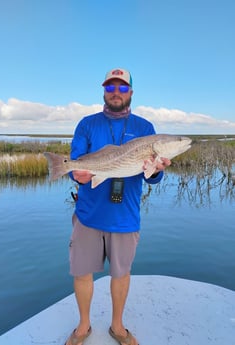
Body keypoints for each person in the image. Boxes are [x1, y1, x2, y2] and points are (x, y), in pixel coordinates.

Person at [65, 68, 171, 345]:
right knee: (82, 272)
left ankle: (117, 327)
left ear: (131, 93)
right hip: (88, 215)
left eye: (122, 88)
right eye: (111, 87)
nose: (116, 92)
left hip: (125, 217)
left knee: (121, 274)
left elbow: (154, 177)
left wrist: (157, 170)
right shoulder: (87, 124)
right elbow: (75, 162)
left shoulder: (146, 129)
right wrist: (74, 172)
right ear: (103, 91)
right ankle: (83, 326)